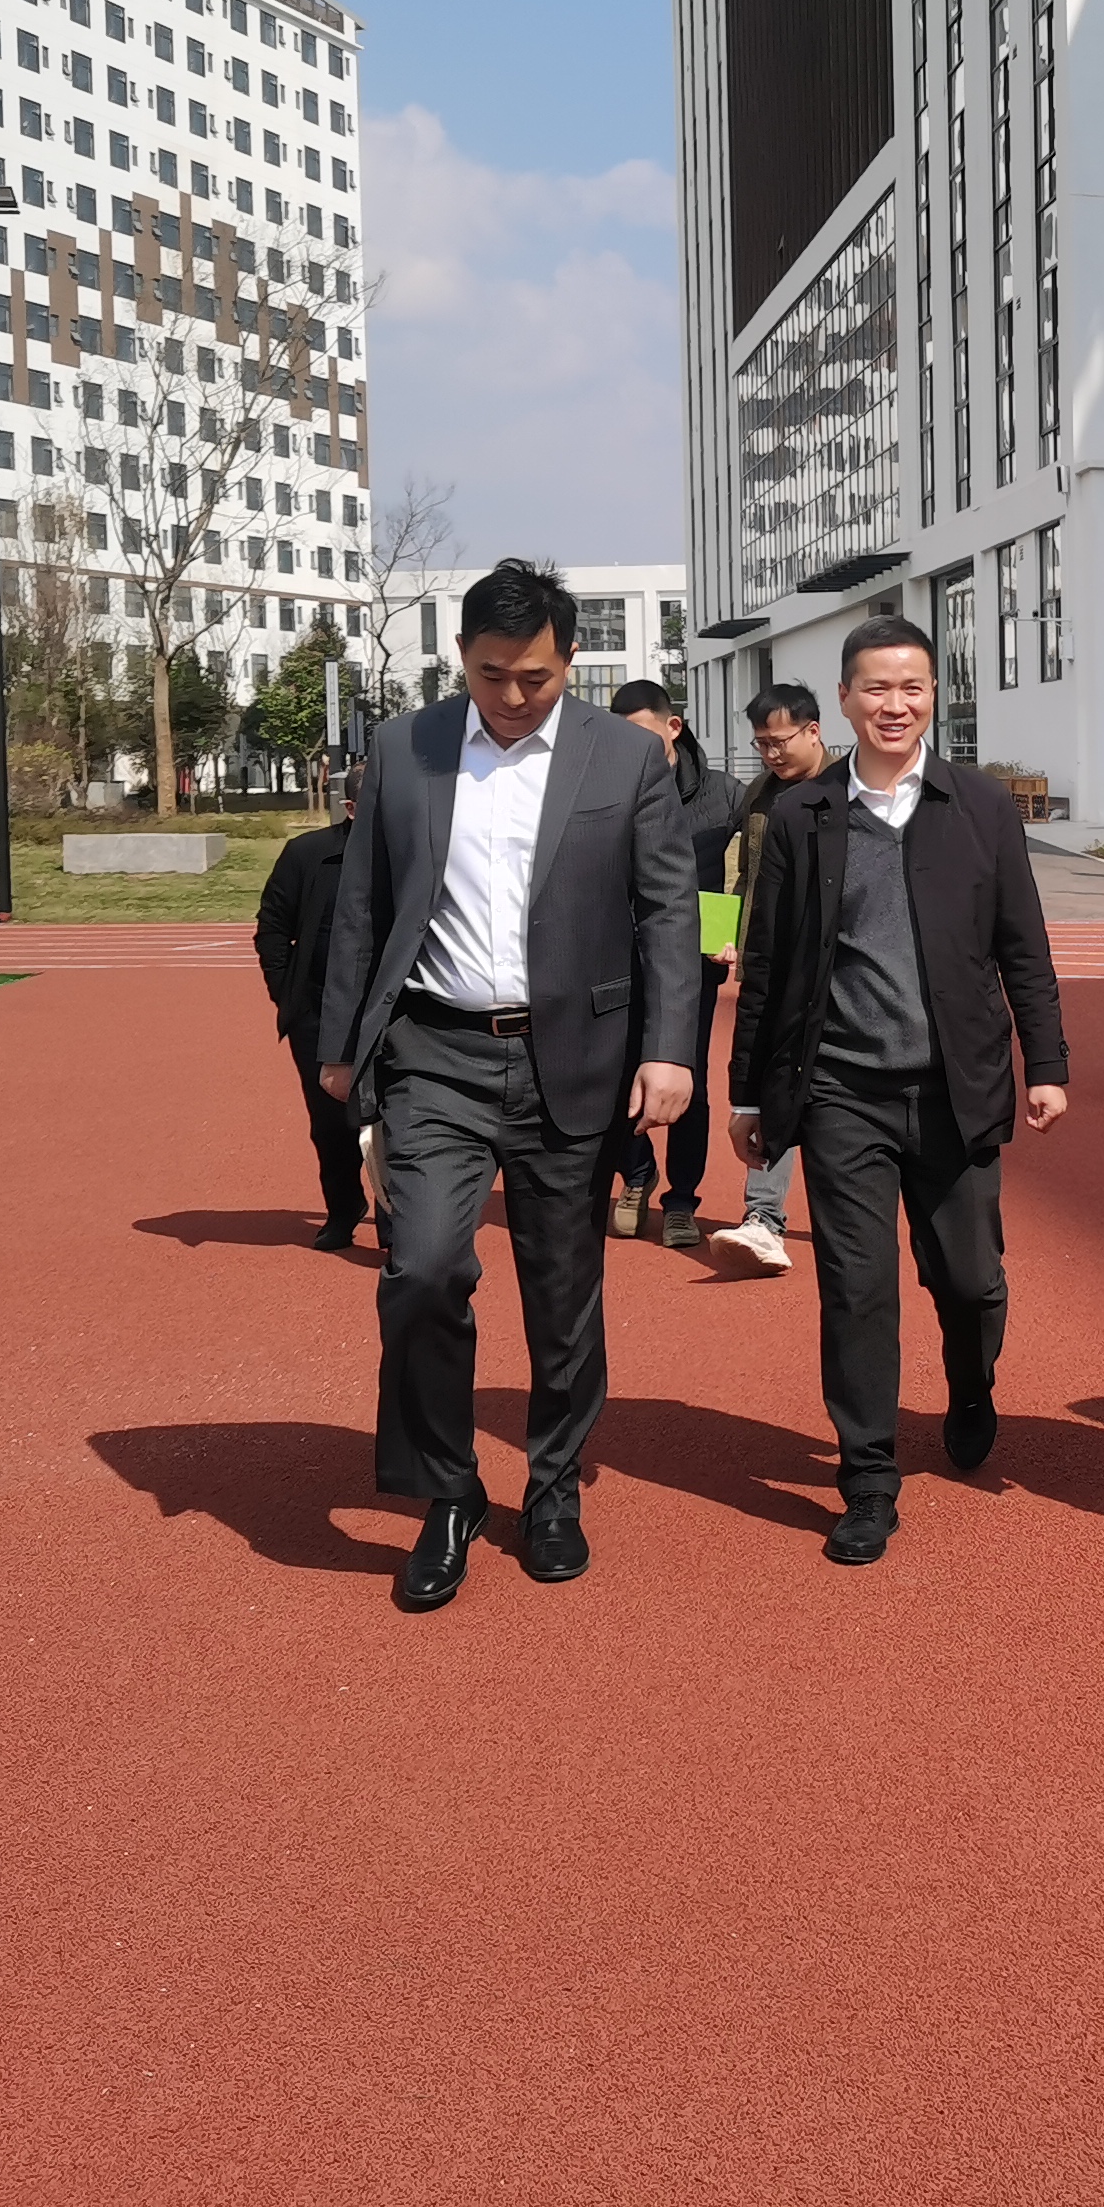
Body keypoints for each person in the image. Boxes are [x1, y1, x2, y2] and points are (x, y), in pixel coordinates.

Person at [318, 560, 704, 1613]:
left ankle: (552, 1490)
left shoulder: (626, 756)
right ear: (462, 659)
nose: (513, 695)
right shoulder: (405, 747)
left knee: (563, 1293)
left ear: (570, 660)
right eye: (492, 675)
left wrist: (670, 1049)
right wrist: (342, 1045)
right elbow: (363, 903)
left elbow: (669, 910)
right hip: (434, 1051)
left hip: (573, 1053)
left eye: (535, 676)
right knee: (423, 1271)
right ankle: (447, 1492)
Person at [727, 615, 1069, 1564]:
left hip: (957, 1088)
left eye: (911, 686)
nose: (894, 704)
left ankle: (970, 1382)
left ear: (934, 696)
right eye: (875, 687)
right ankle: (868, 1478)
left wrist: (1048, 1064)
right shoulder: (802, 816)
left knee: (970, 1281)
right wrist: (749, 1094)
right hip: (843, 1092)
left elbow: (1023, 946)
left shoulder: (980, 806)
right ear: (843, 700)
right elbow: (768, 963)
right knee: (857, 1286)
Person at [605, 679, 745, 1249]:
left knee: (691, 1081)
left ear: (673, 727)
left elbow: (766, 858)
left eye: (642, 735)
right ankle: (636, 1177)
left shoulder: (725, 794)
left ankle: (683, 1200)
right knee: (617, 1076)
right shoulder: (606, 787)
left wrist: (737, 930)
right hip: (616, 960)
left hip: (692, 963)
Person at [704, 680, 828, 1276]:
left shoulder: (847, 789)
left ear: (814, 731)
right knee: (771, 1082)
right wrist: (723, 932)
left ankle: (848, 1213)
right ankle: (763, 1217)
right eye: (762, 744)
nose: (772, 753)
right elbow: (741, 871)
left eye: (781, 741)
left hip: (829, 966)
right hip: (766, 961)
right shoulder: (758, 794)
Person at [252, 765, 370, 1251]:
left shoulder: (413, 853)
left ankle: (397, 1217)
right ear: (350, 808)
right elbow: (272, 930)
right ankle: (343, 1208)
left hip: (395, 1012)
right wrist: (288, 996)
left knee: (397, 1121)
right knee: (330, 1123)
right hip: (318, 1014)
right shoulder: (306, 854)